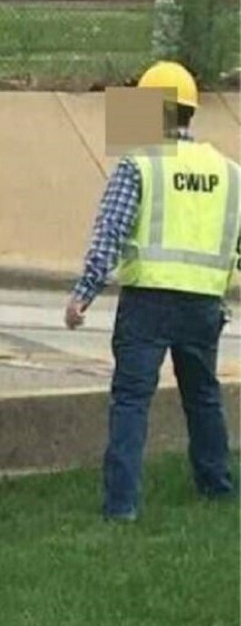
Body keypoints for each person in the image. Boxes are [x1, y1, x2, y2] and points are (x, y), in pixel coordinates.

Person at [65, 60, 240, 521]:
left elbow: (111, 232)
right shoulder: (229, 171)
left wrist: (83, 292)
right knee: (202, 397)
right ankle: (217, 488)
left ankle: (121, 506)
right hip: (203, 304)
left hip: (149, 303)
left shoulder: (139, 164)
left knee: (131, 400)